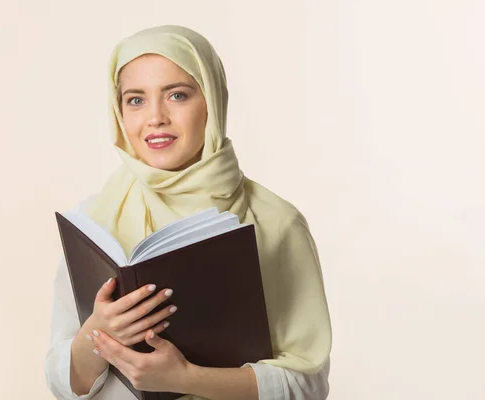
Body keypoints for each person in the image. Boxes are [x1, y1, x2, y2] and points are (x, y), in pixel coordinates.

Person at [45, 25, 332, 400]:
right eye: (135, 100)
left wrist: (184, 378)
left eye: (177, 95)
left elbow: (307, 384)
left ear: (212, 101)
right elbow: (63, 384)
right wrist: (98, 334)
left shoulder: (277, 223)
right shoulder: (96, 220)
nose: (155, 117)